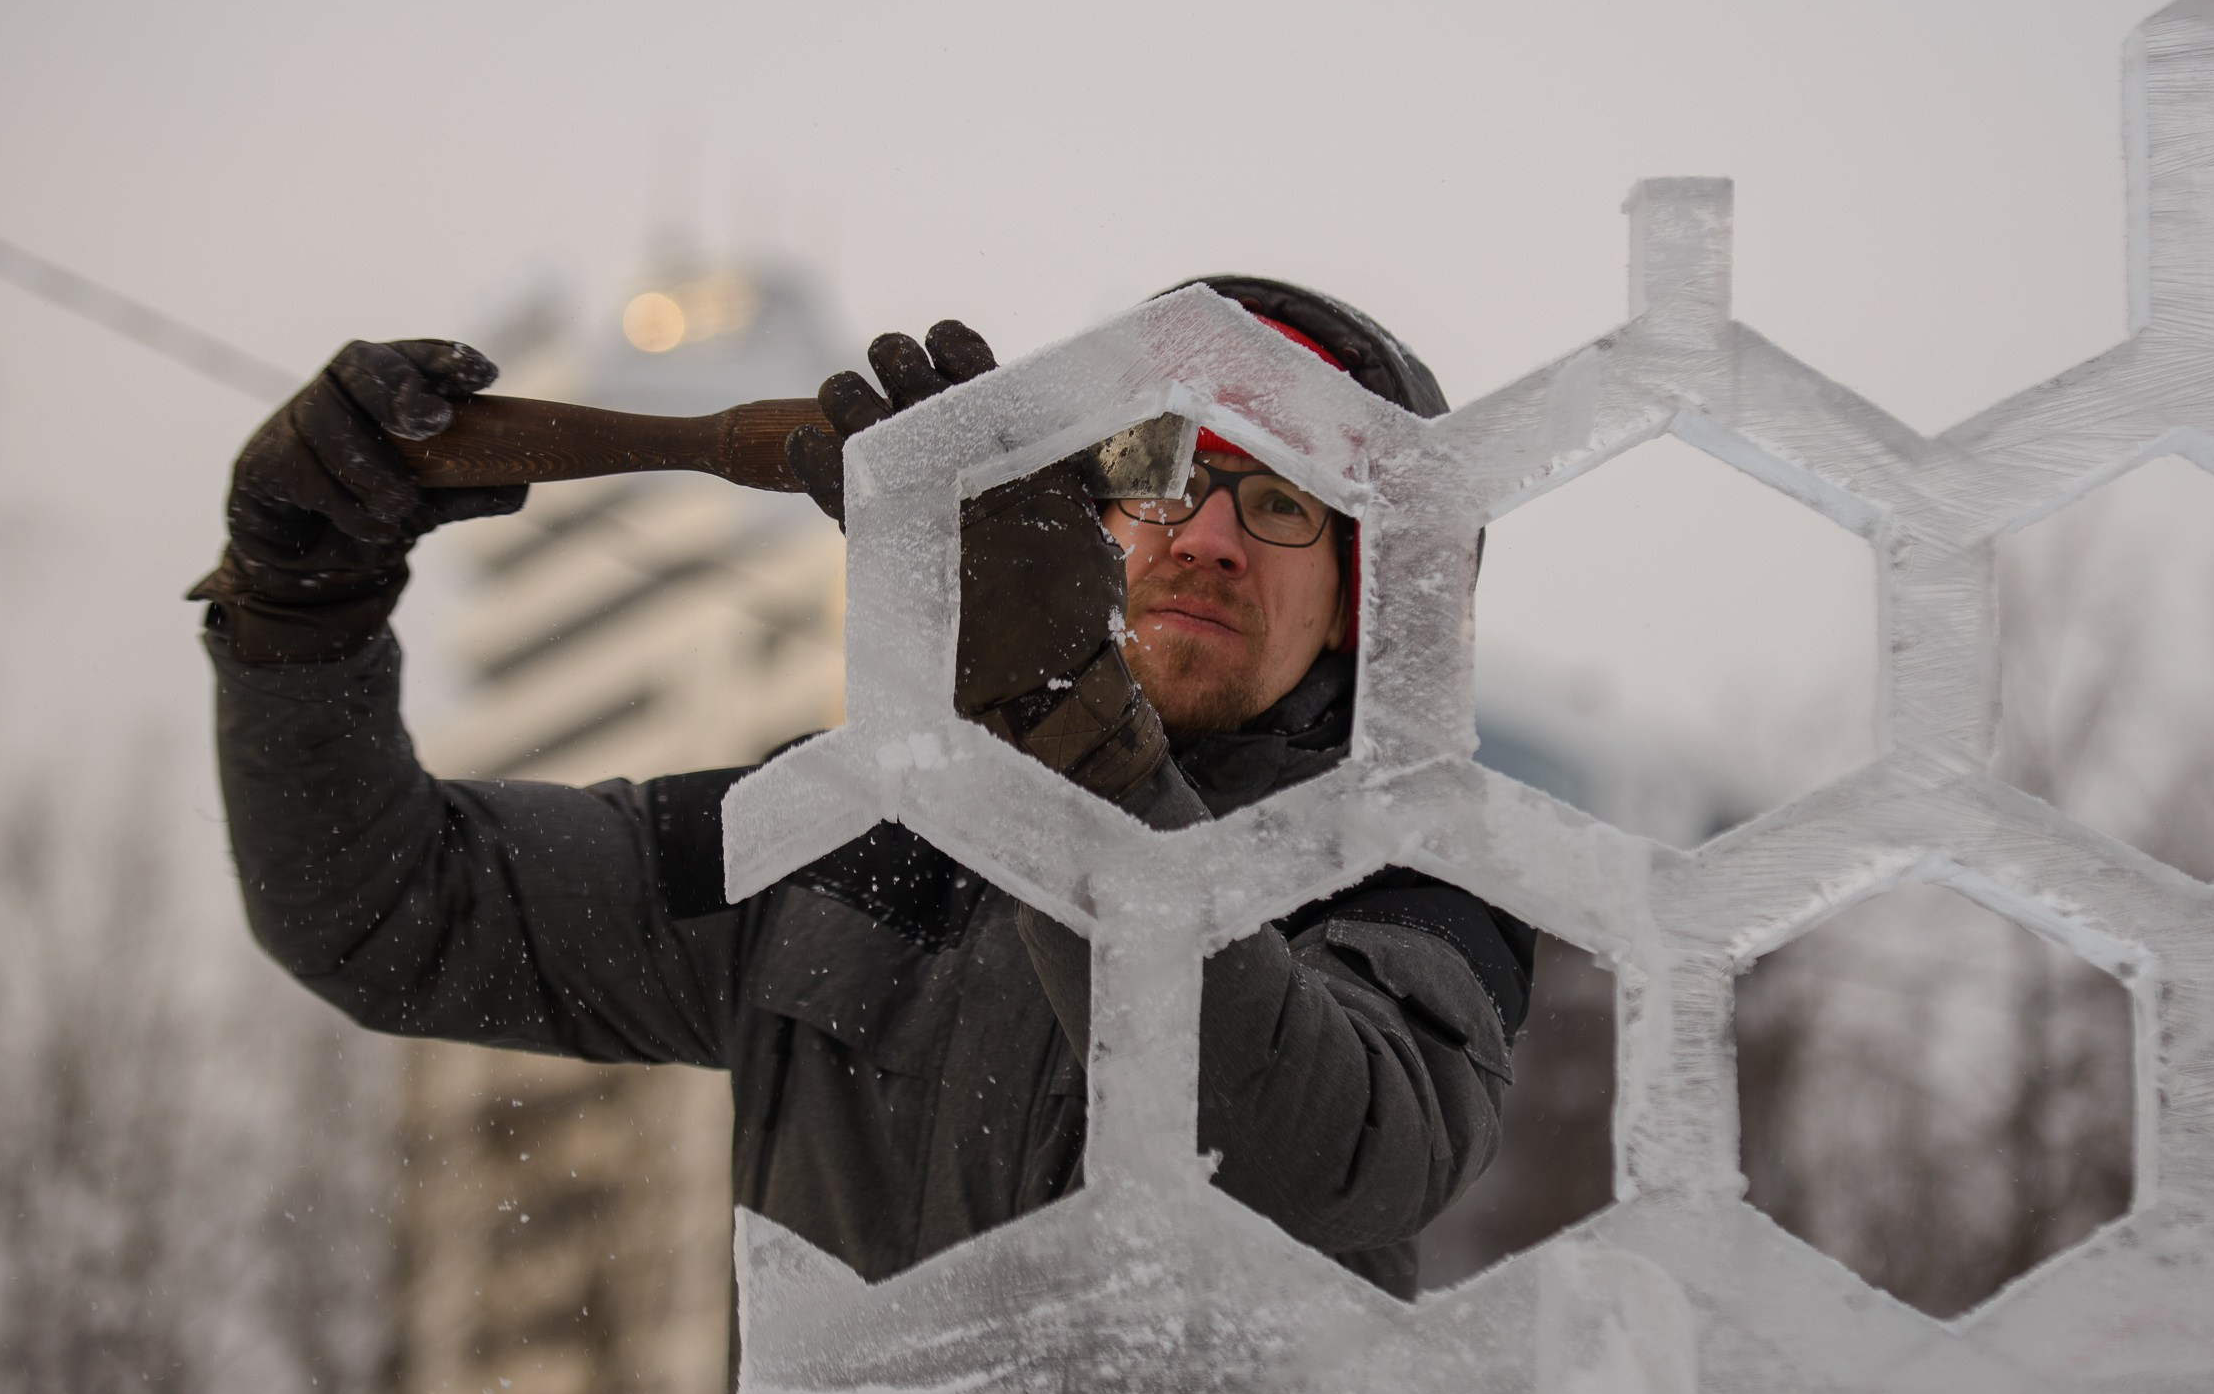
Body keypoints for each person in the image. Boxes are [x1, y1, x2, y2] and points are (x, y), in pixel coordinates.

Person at [193, 275, 1532, 1298]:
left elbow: (1325, 1160)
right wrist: (300, 611)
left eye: (1285, 499)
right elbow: (384, 913)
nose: (1214, 539)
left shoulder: (1409, 870)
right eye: (1168, 473)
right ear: (1093, 512)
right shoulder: (853, 834)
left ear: (1365, 599)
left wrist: (1065, 727)